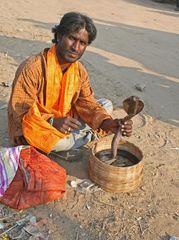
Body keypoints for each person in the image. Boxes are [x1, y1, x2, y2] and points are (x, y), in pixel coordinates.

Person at [8, 12, 133, 155]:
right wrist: (53, 121)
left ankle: (77, 134)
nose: (76, 47)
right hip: (39, 124)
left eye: (82, 43)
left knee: (106, 104)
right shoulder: (32, 67)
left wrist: (108, 124)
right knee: (57, 142)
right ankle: (87, 135)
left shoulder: (79, 71)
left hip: (67, 119)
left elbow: (87, 103)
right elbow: (21, 113)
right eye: (72, 38)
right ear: (59, 36)